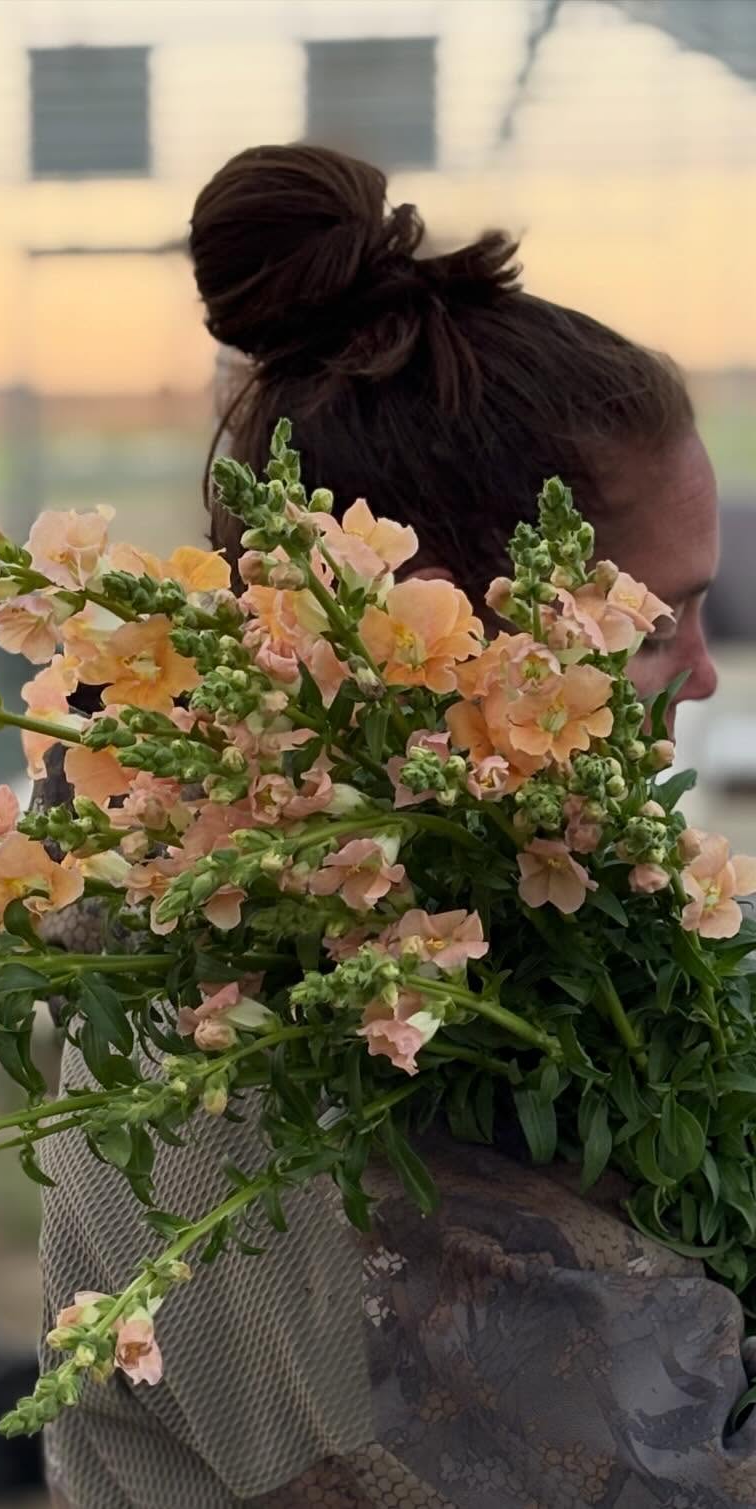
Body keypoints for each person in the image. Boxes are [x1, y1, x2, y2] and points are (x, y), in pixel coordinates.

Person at [37, 145, 747, 1508]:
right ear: (437, 636)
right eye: (658, 624)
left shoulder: (314, 932)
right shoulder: (332, 1058)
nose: (704, 673)